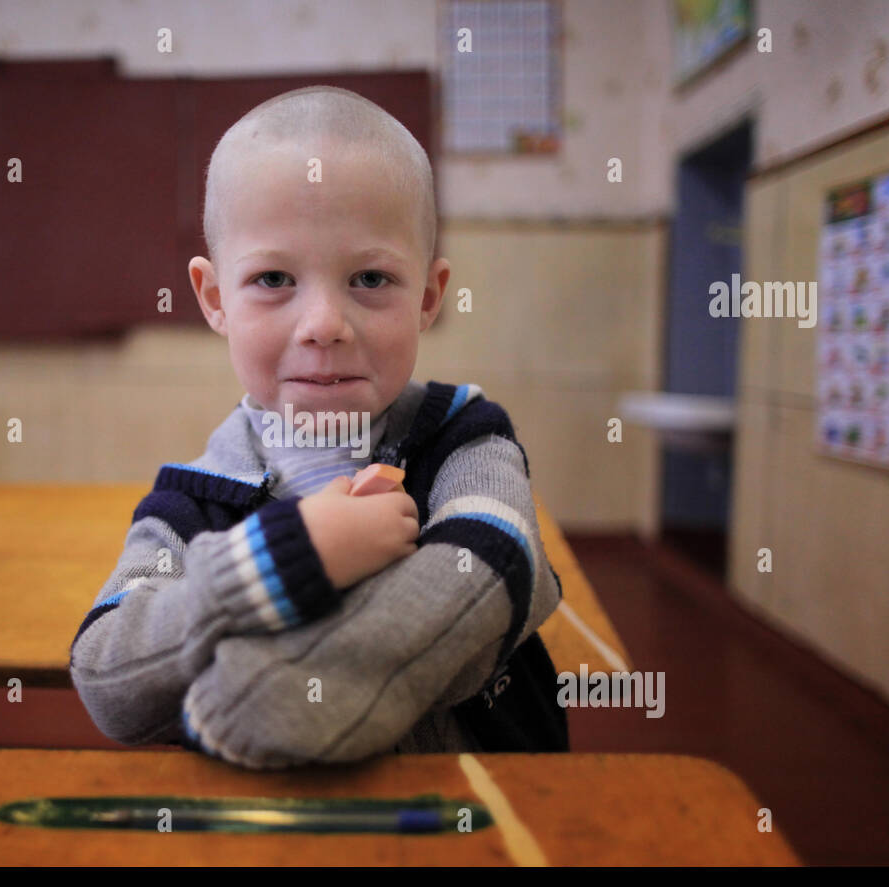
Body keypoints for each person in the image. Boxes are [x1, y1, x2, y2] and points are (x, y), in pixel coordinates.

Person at [70, 85, 566, 769]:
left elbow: (493, 574)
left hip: (472, 820)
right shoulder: (193, 501)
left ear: (428, 296)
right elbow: (107, 677)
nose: (324, 325)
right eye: (274, 277)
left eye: (370, 278)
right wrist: (285, 559)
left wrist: (275, 698)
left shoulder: (464, 436)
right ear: (215, 299)